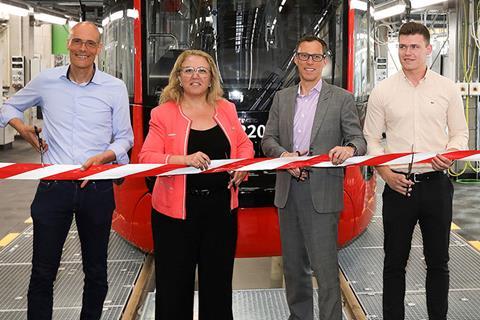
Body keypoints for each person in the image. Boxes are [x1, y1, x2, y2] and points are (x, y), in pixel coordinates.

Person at [0, 22, 133, 319]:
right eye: (77, 42)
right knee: (43, 272)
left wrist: (105, 156)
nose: (82, 49)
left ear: (98, 49)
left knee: (96, 271)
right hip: (53, 188)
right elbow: (7, 107)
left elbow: (126, 137)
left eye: (90, 44)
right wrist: (22, 127)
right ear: (69, 44)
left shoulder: (114, 88)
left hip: (96, 187)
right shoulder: (46, 81)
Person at [363, 21, 468, 320]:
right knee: (394, 262)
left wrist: (449, 155)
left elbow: (460, 134)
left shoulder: (447, 88)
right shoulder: (382, 92)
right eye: (403, 46)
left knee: (439, 262)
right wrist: (384, 173)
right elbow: (372, 137)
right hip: (398, 186)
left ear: (428, 49)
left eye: (414, 47)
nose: (408, 53)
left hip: (436, 185)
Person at [138, 49, 254, 320]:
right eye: (188, 70)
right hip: (175, 217)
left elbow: (244, 145)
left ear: (211, 77)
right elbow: (147, 157)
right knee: (173, 288)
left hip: (221, 211)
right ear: (178, 77)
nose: (195, 76)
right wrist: (183, 159)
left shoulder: (226, 109)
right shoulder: (162, 114)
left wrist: (242, 167)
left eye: (202, 70)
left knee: (218, 286)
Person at [261, 35, 366, 320]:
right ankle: (299, 316)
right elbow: (268, 138)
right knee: (294, 267)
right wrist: (283, 156)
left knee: (325, 266)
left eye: (315, 57)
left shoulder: (341, 99)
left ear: (324, 61)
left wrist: (350, 148)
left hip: (322, 193)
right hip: (288, 191)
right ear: (295, 59)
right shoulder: (282, 98)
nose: (310, 62)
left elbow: (359, 139)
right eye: (304, 56)